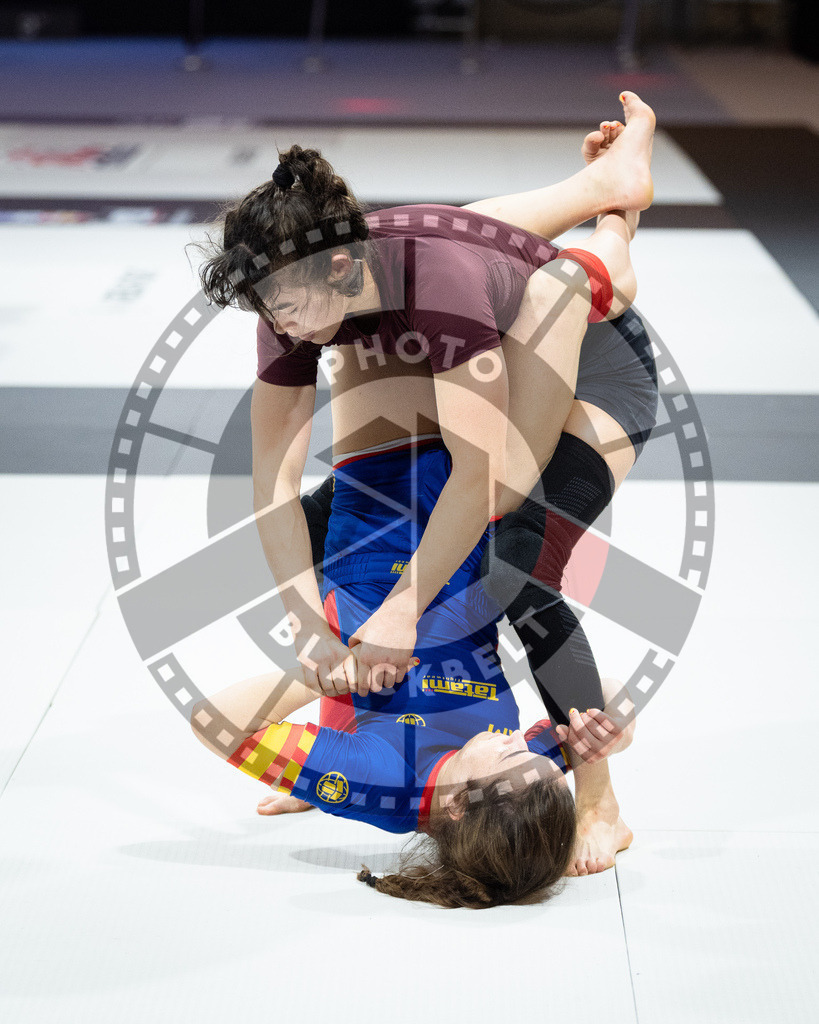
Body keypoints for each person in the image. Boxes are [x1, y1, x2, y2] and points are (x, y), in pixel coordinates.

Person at [196, 92, 657, 872]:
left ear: (338, 267)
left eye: (283, 310)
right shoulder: (308, 295)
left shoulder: (432, 276)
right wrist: (312, 634)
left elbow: (481, 477)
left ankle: (602, 804)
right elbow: (271, 488)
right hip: (467, 348)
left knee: (515, 555)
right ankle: (607, 189)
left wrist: (401, 616)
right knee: (312, 543)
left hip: (592, 372)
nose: (278, 330)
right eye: (266, 314)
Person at [190, 436, 635, 908]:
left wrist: (328, 677)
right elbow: (607, 694)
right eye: (541, 755)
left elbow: (213, 721)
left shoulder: (381, 783)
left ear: (459, 805)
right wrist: (616, 727)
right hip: (468, 525)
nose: (520, 740)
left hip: (376, 519)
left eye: (511, 754)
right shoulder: (518, 776)